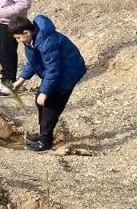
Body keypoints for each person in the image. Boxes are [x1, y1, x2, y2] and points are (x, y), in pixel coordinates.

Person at [7, 15, 87, 152]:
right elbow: (35, 61)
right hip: (57, 71)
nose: (18, 41)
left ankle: (46, 142)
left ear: (26, 32)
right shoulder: (32, 40)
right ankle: (43, 134)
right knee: (40, 101)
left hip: (67, 73)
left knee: (50, 104)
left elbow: (54, 70)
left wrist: (44, 92)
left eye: (18, 37)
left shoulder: (46, 43)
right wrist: (21, 80)